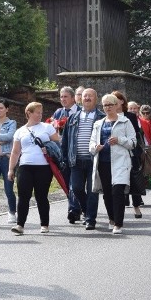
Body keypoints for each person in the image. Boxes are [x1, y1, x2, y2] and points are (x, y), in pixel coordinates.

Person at [8, 102, 61, 234]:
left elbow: (57, 144)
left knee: (41, 196)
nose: (40, 115)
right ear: (29, 113)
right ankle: (20, 225)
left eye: (41, 113)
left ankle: (44, 224)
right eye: (37, 112)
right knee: (23, 195)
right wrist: (11, 169)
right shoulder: (20, 131)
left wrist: (48, 147)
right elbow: (15, 152)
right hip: (25, 166)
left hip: (43, 166)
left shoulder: (47, 127)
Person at [90, 94, 136, 234]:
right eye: (105, 105)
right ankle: (111, 218)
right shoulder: (98, 124)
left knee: (117, 192)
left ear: (117, 105)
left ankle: (118, 223)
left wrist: (120, 140)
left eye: (110, 104)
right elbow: (91, 144)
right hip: (103, 162)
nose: (108, 107)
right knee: (107, 193)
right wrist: (95, 148)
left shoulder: (125, 121)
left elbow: (133, 143)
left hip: (120, 162)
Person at [60, 88, 104, 230]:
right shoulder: (73, 117)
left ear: (95, 99)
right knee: (77, 188)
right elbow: (65, 139)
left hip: (94, 160)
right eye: (85, 96)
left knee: (92, 191)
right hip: (75, 160)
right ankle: (86, 210)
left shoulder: (101, 118)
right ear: (80, 99)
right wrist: (64, 158)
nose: (87, 98)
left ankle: (91, 219)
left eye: (90, 96)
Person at [112, 90, 144, 218]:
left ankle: (136, 206)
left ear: (121, 101)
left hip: (130, 152)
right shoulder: (109, 115)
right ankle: (119, 210)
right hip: (115, 153)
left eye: (115, 99)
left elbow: (135, 134)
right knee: (118, 182)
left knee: (133, 179)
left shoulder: (130, 116)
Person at [51, 86, 81, 220]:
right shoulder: (58, 113)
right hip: (62, 152)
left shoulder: (80, 111)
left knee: (75, 183)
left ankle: (73, 209)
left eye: (65, 97)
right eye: (61, 97)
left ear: (73, 98)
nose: (63, 99)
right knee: (66, 181)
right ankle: (76, 206)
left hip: (77, 152)